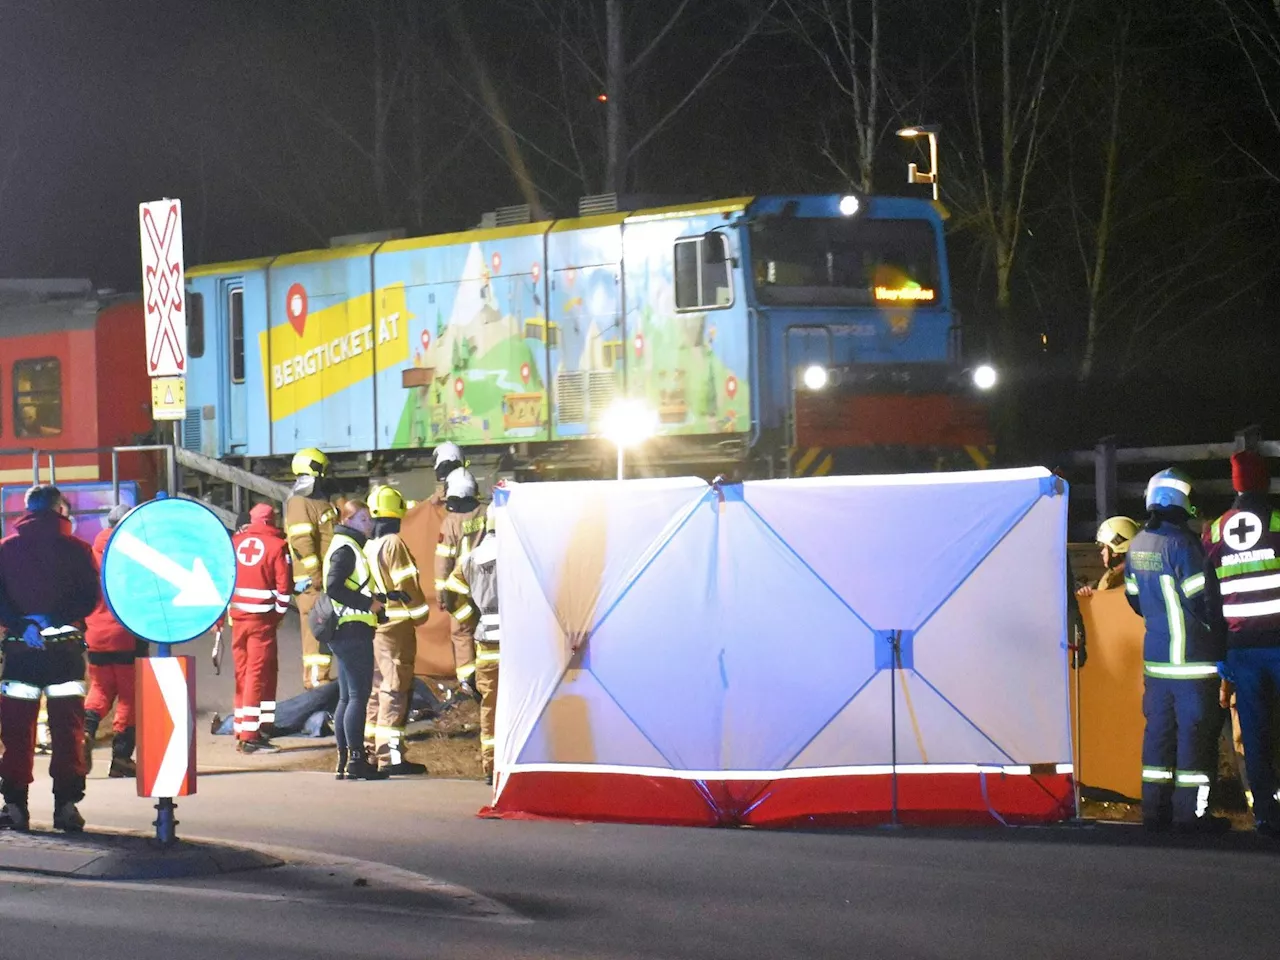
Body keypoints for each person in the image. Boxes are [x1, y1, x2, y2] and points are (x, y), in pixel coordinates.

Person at [1124, 468, 1229, 833]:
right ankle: (1193, 816)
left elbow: (1134, 600)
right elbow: (1205, 603)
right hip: (1193, 666)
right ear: (1181, 501)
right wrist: (1222, 641)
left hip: (1157, 666)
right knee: (1195, 744)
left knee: (1158, 740)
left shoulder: (1137, 545)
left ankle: (1154, 812)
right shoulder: (1184, 545)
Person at [0, 486, 100, 832]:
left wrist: (21, 624)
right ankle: (66, 806)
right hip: (65, 657)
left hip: (19, 655)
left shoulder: (6, 550)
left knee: (16, 732)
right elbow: (90, 599)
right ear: (59, 509)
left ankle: (15, 807)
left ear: (27, 510)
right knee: (68, 730)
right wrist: (53, 618)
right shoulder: (79, 550)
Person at [1202, 450, 1280, 835]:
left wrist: (1221, 656)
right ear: (1264, 482)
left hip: (1240, 651)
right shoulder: (1279, 522)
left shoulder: (1214, 532)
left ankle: (1267, 814)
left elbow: (1211, 602)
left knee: (1256, 733)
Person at [363, 485, 431, 775]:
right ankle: (391, 757)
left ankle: (368, 750)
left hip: (375, 625)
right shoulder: (394, 544)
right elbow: (407, 585)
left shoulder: (367, 545)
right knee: (395, 686)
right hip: (397, 624)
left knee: (377, 688)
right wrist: (420, 614)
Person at [324, 499, 388, 781]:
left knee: (346, 698)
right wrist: (367, 604)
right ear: (348, 521)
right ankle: (357, 761)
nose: (370, 523)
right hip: (352, 630)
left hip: (343, 630)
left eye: (370, 518)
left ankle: (343, 759)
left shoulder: (344, 545)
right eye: (363, 519)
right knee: (358, 698)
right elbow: (334, 587)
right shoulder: (347, 549)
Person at [227, 503, 293, 754]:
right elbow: (284, 590)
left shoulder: (235, 543)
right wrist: (277, 615)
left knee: (243, 673)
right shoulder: (278, 546)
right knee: (259, 673)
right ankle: (251, 735)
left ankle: (247, 725)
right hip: (261, 620)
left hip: (238, 618)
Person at [83, 504, 140, 778]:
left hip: (95, 634)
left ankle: (85, 731)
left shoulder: (91, 554)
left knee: (100, 688)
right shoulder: (131, 555)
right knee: (130, 696)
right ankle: (121, 759)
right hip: (126, 634)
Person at [451, 504, 501, 783]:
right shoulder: (519, 554)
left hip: (486, 644)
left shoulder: (470, 558)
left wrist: (470, 619)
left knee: (490, 706)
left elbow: (451, 595)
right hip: (516, 644)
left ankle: (491, 767)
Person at [285, 447, 338, 688]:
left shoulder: (315, 502)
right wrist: (316, 575)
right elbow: (301, 542)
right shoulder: (300, 502)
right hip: (313, 583)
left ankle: (320, 679)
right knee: (316, 635)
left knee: (323, 632)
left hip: (324, 581)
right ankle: (317, 682)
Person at [434, 467, 487, 702]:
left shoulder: (450, 523)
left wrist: (441, 590)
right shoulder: (488, 512)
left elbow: (444, 559)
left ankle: (467, 682)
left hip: (460, 586)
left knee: (462, 632)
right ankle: (489, 677)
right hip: (488, 583)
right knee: (489, 629)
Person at [1077, 516, 1139, 597]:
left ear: (1115, 551)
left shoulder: (1128, 581)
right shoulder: (1113, 575)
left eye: (1105, 547)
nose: (1102, 552)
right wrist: (1087, 592)